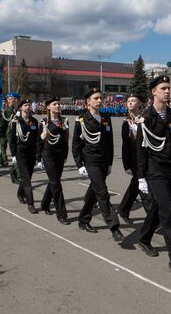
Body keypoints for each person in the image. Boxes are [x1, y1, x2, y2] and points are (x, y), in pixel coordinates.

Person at [136, 75, 171, 279]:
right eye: (163, 88)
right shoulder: (146, 117)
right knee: (168, 211)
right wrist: (141, 177)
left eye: (169, 88)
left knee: (161, 208)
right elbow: (141, 150)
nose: (167, 91)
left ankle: (143, 237)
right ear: (153, 92)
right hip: (154, 170)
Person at [72, 87, 124, 242]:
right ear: (88, 101)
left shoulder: (105, 118)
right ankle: (114, 227)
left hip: (103, 162)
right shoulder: (81, 119)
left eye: (101, 98)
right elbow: (76, 144)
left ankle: (83, 219)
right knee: (102, 193)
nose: (100, 101)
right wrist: (79, 164)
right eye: (96, 98)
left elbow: (109, 143)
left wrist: (109, 164)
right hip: (91, 161)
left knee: (94, 192)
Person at [117, 93, 151, 224]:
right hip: (135, 159)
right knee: (144, 188)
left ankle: (123, 209)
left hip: (147, 157)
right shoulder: (126, 123)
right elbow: (125, 145)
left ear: (140, 104)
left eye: (133, 100)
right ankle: (152, 216)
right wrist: (126, 164)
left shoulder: (146, 118)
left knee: (136, 185)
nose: (130, 103)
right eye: (128, 101)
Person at [38, 97, 70, 225]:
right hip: (48, 154)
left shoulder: (65, 121)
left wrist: (66, 155)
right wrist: (38, 158)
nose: (58, 106)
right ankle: (61, 213)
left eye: (59, 104)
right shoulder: (44, 122)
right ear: (48, 107)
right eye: (54, 104)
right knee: (56, 183)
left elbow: (66, 140)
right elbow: (39, 142)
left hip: (60, 155)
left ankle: (45, 204)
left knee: (54, 181)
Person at [10, 99, 39, 214]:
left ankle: (20, 193)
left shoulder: (34, 121)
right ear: (21, 108)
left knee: (28, 176)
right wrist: (13, 154)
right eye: (25, 105)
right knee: (26, 178)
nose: (28, 107)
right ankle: (31, 203)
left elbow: (37, 139)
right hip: (20, 152)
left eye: (29, 105)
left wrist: (38, 153)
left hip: (31, 152)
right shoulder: (16, 121)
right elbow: (12, 139)